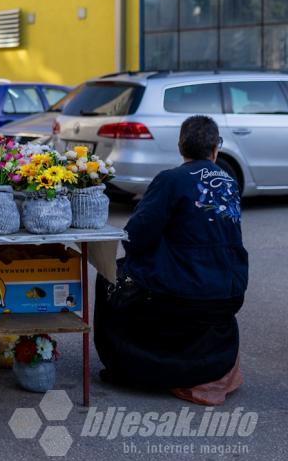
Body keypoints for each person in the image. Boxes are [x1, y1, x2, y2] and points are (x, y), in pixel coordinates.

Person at [94, 115, 248, 406]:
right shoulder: (228, 181)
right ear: (215, 149)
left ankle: (129, 367)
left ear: (181, 147)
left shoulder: (170, 180)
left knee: (110, 278)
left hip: (186, 293)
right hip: (230, 292)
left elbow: (135, 235)